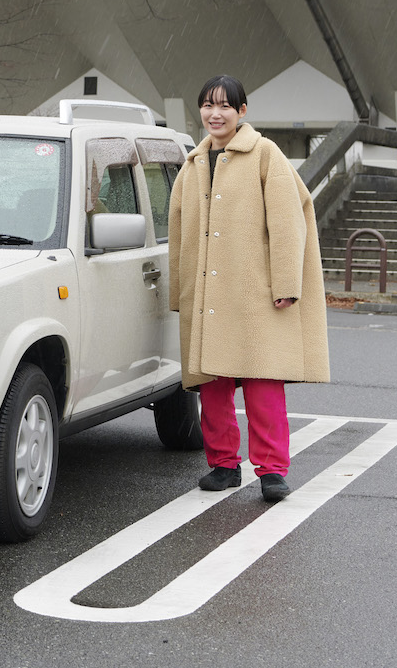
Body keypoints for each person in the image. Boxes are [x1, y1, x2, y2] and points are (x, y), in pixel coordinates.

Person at [168, 75, 330, 502]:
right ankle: (223, 465)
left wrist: (287, 284)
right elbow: (179, 234)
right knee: (212, 384)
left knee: (263, 384)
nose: (215, 113)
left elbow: (288, 222)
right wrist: (180, 292)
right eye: (207, 105)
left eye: (225, 105)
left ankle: (272, 471)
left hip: (256, 293)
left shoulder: (265, 155)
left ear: (242, 111)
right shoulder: (193, 163)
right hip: (207, 297)